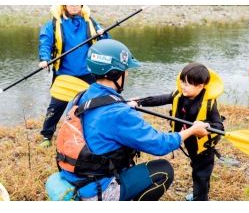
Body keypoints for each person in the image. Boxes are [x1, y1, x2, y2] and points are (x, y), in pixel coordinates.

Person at [56, 39, 210, 201]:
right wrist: (191, 130)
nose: (127, 73)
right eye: (125, 69)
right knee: (163, 171)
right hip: (96, 191)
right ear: (115, 73)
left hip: (73, 178)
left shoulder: (80, 97)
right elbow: (160, 145)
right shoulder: (119, 113)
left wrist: (125, 106)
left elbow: (101, 123)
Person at [135, 62, 224, 201]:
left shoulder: (209, 104)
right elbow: (160, 99)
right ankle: (198, 194)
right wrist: (139, 102)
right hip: (189, 142)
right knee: (195, 169)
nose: (183, 86)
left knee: (201, 175)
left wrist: (205, 126)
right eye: (182, 81)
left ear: (200, 86)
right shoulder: (179, 94)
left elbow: (219, 126)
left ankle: (201, 199)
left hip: (203, 150)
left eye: (188, 84)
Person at [38, 5, 109, 147]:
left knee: (93, 106)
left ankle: (93, 135)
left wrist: (103, 34)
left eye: (78, 2)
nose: (75, 5)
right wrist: (44, 59)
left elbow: (106, 41)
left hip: (88, 73)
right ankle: (47, 136)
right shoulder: (54, 23)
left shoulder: (90, 21)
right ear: (64, 4)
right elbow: (45, 42)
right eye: (71, 2)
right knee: (56, 107)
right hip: (64, 73)